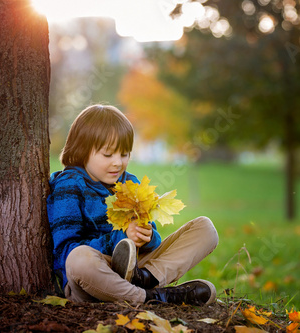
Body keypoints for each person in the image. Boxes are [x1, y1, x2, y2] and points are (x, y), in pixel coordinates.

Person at [47, 104, 219, 306]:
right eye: (108, 154)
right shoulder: (69, 185)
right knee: (78, 258)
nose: (118, 163)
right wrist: (120, 238)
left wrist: (146, 237)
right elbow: (64, 252)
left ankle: (146, 280)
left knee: (205, 229)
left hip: (136, 270)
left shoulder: (130, 183)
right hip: (94, 276)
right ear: (83, 151)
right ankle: (154, 297)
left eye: (124, 154)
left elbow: (152, 242)